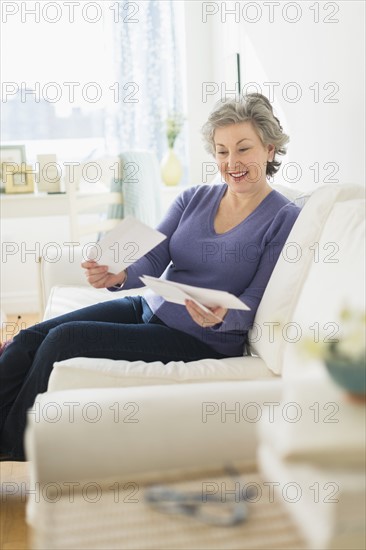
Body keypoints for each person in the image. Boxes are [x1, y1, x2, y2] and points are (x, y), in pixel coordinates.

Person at [0, 93, 300, 460]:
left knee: (64, 340)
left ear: (269, 149)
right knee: (28, 339)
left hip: (199, 338)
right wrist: (118, 273)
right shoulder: (196, 197)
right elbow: (154, 257)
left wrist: (224, 316)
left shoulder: (283, 217)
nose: (231, 162)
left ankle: (10, 447)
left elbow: (255, 296)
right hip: (148, 306)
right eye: (222, 152)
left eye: (243, 149)